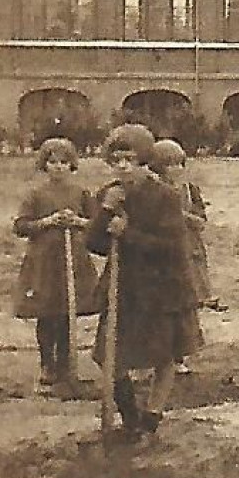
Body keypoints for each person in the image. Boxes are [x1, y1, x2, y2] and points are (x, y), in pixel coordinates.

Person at [87, 125, 204, 439]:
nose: (123, 166)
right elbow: (94, 243)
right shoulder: (110, 193)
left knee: (164, 355)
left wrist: (129, 234)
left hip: (163, 287)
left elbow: (171, 247)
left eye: (130, 159)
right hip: (124, 287)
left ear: (144, 161)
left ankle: (152, 415)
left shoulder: (165, 195)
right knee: (109, 355)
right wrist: (106, 211)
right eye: (116, 160)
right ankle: (130, 417)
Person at [13, 137, 99, 391]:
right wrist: (47, 222)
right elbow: (20, 226)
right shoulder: (36, 194)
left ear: (72, 165)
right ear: (45, 165)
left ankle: (65, 365)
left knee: (66, 314)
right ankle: (47, 364)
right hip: (44, 261)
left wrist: (77, 221)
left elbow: (95, 222)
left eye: (64, 162)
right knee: (47, 313)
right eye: (52, 162)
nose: (58, 167)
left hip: (73, 259)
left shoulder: (81, 193)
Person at [150, 140, 212, 375]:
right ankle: (158, 357)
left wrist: (183, 215)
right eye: (169, 165)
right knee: (161, 306)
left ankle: (179, 357)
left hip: (188, 253)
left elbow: (201, 222)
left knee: (185, 306)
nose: (175, 169)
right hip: (162, 256)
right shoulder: (152, 191)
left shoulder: (190, 190)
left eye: (179, 164)